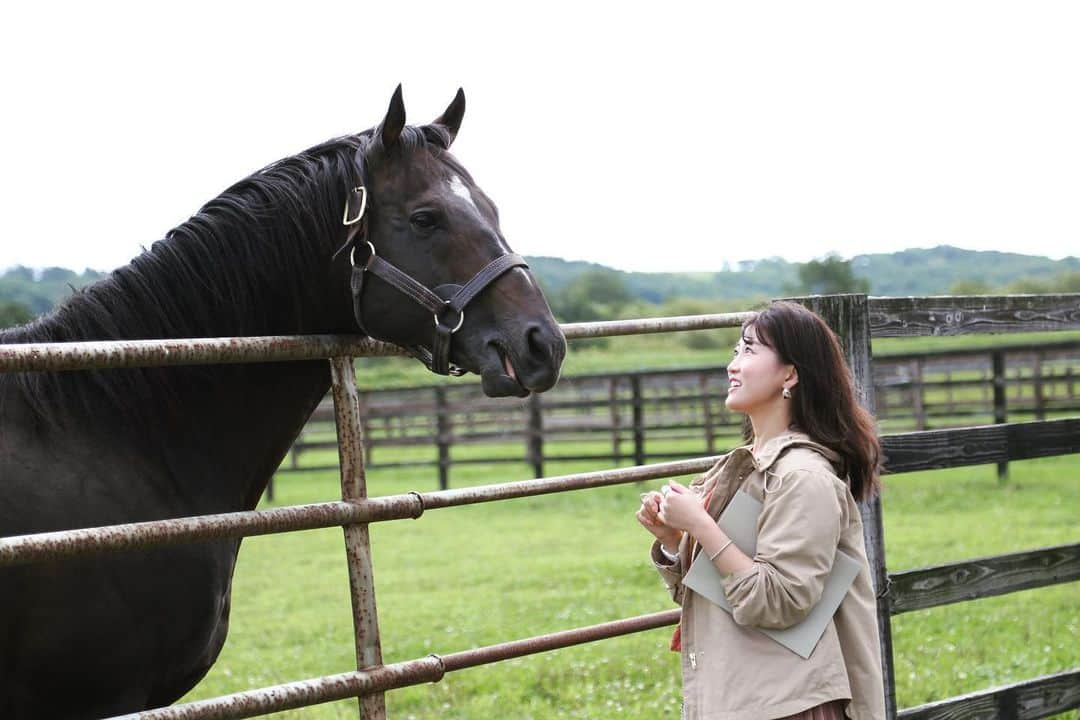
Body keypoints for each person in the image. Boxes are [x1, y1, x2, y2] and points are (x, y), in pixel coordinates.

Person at [636, 301, 886, 720]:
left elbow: (779, 602)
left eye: (749, 351)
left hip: (789, 703)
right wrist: (676, 541)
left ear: (790, 374)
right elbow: (718, 592)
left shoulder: (803, 476)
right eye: (736, 350)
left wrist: (701, 524)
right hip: (745, 696)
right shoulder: (746, 467)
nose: (733, 365)